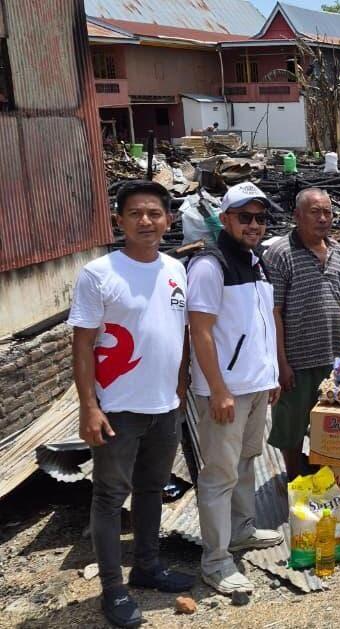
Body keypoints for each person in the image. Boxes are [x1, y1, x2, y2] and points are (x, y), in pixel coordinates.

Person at [69, 180, 194, 628]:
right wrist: (89, 406)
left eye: (154, 213)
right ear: (119, 220)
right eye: (136, 213)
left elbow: (178, 335)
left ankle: (147, 566)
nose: (146, 221)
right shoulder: (99, 273)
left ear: (168, 220)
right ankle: (112, 589)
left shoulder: (176, 269)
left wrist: (179, 389)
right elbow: (82, 344)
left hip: (164, 407)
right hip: (117, 407)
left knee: (151, 490)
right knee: (108, 497)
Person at [187, 181, 282, 595]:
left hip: (256, 384)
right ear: (225, 219)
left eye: (261, 218)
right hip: (227, 390)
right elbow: (200, 332)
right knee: (219, 475)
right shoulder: (211, 265)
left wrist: (272, 373)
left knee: (246, 461)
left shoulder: (255, 261)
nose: (255, 225)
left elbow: (259, 324)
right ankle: (216, 560)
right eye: (245, 217)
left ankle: (241, 530)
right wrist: (218, 389)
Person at [265, 188, 340, 479]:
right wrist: (281, 363)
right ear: (297, 216)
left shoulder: (338, 251)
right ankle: (293, 479)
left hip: (332, 357)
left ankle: (322, 473)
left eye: (327, 212)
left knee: (329, 423)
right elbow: (274, 312)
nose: (323, 218)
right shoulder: (280, 254)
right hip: (297, 359)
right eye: (315, 212)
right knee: (290, 424)